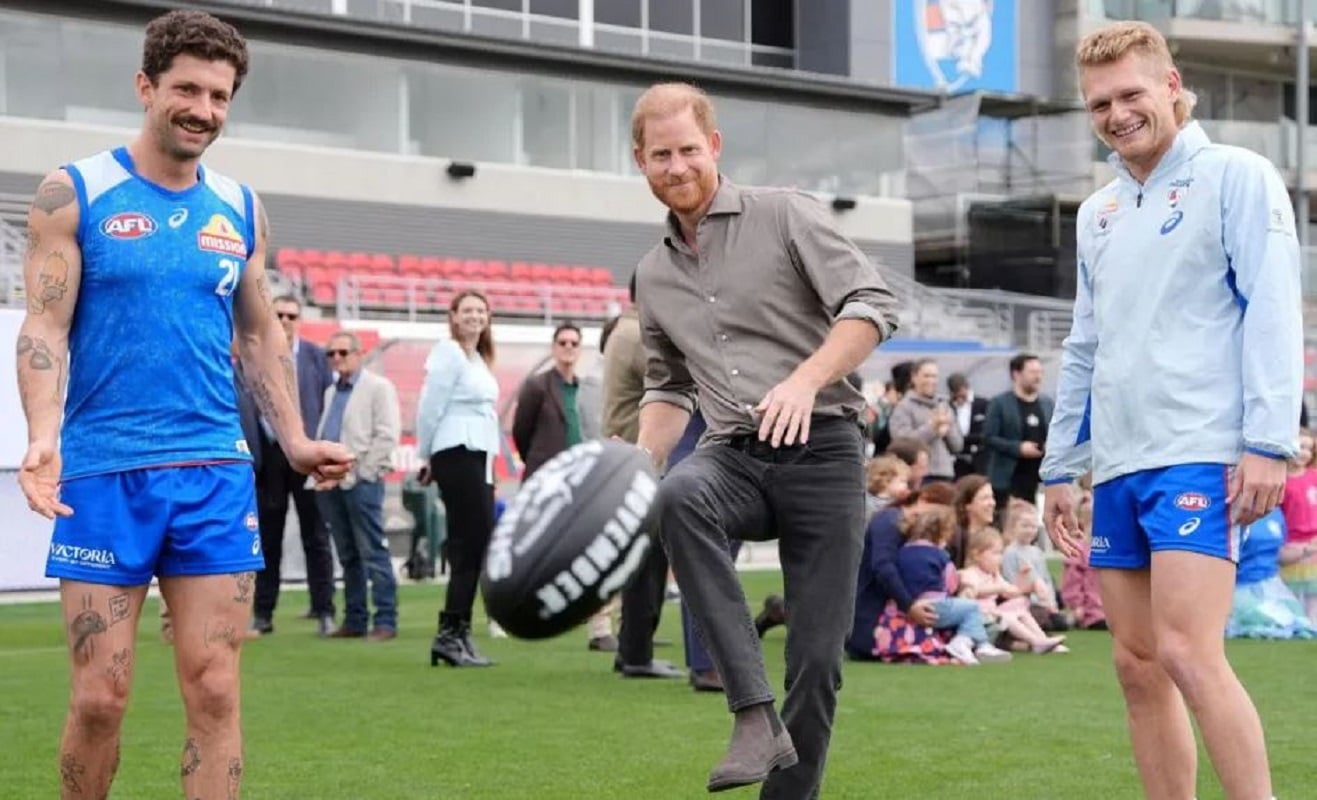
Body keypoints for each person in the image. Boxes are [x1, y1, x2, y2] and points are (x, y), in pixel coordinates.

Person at [16, 11, 353, 799]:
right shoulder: (74, 192)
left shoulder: (239, 207)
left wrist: (296, 439)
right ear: (146, 86)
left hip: (213, 474)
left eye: (219, 96)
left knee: (215, 690)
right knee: (100, 699)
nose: (204, 109)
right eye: (188, 90)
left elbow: (261, 333)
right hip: (104, 473)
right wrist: (42, 435)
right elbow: (44, 325)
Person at [1040, 21, 1302, 800]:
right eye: (1098, 105)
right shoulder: (1096, 212)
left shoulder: (1236, 175)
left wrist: (1267, 440)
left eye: (1129, 94)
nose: (1116, 114)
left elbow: (1271, 309)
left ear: (1170, 84)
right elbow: (1084, 344)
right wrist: (1058, 466)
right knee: (1135, 663)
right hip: (1119, 460)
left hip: (1200, 450)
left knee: (1188, 651)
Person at [629, 82, 901, 797]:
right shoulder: (651, 274)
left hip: (824, 446)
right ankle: (751, 714)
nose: (677, 166)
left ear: (714, 146)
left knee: (817, 662)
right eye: (661, 155)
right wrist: (635, 463)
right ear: (640, 161)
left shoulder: (784, 214)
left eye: (689, 150)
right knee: (677, 495)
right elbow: (667, 386)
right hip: (733, 454)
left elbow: (872, 304)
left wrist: (805, 380)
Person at [599, 288, 684, 679]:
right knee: (648, 562)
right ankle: (636, 653)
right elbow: (676, 376)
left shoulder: (623, 331)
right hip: (641, 459)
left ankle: (633, 650)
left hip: (631, 457)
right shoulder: (638, 337)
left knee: (644, 559)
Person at [416, 290, 501, 667]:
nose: (475, 316)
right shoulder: (448, 353)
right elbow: (430, 406)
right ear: (452, 315)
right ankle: (451, 633)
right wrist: (425, 454)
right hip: (457, 450)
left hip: (478, 453)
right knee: (470, 542)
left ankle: (458, 631)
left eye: (481, 310)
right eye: (467, 310)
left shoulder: (478, 358)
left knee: (476, 542)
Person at [251, 293, 337, 637]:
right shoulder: (254, 353)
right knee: (267, 538)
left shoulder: (316, 357)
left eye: (291, 315)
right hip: (269, 455)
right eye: (279, 314)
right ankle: (263, 613)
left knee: (315, 535)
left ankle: (324, 609)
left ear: (300, 320)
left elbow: (329, 404)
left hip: (308, 453)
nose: (285, 320)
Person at [315, 331, 401, 641]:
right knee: (348, 554)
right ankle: (355, 618)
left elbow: (387, 434)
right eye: (331, 354)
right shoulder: (331, 392)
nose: (336, 358)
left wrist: (364, 472)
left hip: (362, 481)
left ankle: (386, 619)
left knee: (373, 550)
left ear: (359, 354)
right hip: (333, 482)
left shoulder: (378, 387)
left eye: (343, 352)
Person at [895, 506, 1012, 665]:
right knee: (971, 608)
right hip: (935, 605)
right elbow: (951, 583)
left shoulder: (903, 551)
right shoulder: (939, 554)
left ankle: (979, 645)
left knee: (967, 609)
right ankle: (968, 643)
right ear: (942, 534)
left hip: (911, 603)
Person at [983, 353, 1053, 510]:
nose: (1038, 377)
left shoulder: (1047, 403)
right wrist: (1018, 448)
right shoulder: (999, 403)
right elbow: (989, 437)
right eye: (1032, 372)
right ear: (1016, 374)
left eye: (1040, 372)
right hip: (1008, 479)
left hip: (1040, 479)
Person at [887, 359, 962, 483]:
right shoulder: (904, 407)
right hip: (918, 476)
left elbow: (957, 446)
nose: (931, 381)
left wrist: (947, 430)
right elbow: (901, 444)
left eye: (934, 376)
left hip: (945, 473)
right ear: (914, 378)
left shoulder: (944, 405)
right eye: (926, 376)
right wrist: (932, 427)